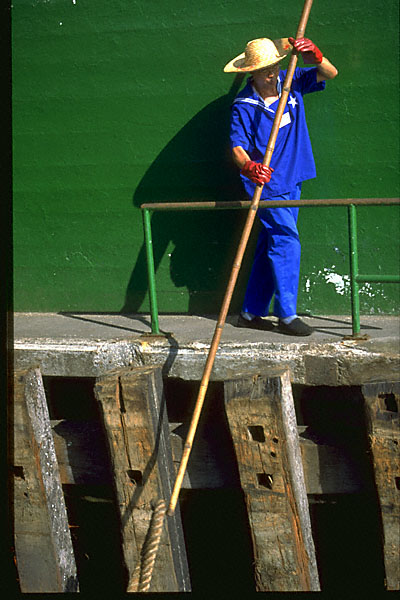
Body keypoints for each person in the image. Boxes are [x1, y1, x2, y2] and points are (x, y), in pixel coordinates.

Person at [224, 36, 338, 335]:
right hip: (266, 183)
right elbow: (237, 147)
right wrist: (249, 166)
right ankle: (287, 315)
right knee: (286, 240)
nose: (271, 72)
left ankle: (250, 312)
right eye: (264, 69)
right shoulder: (244, 105)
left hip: (294, 176)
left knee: (269, 244)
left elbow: (329, 73)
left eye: (274, 66)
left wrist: (315, 54)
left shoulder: (292, 81)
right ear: (251, 72)